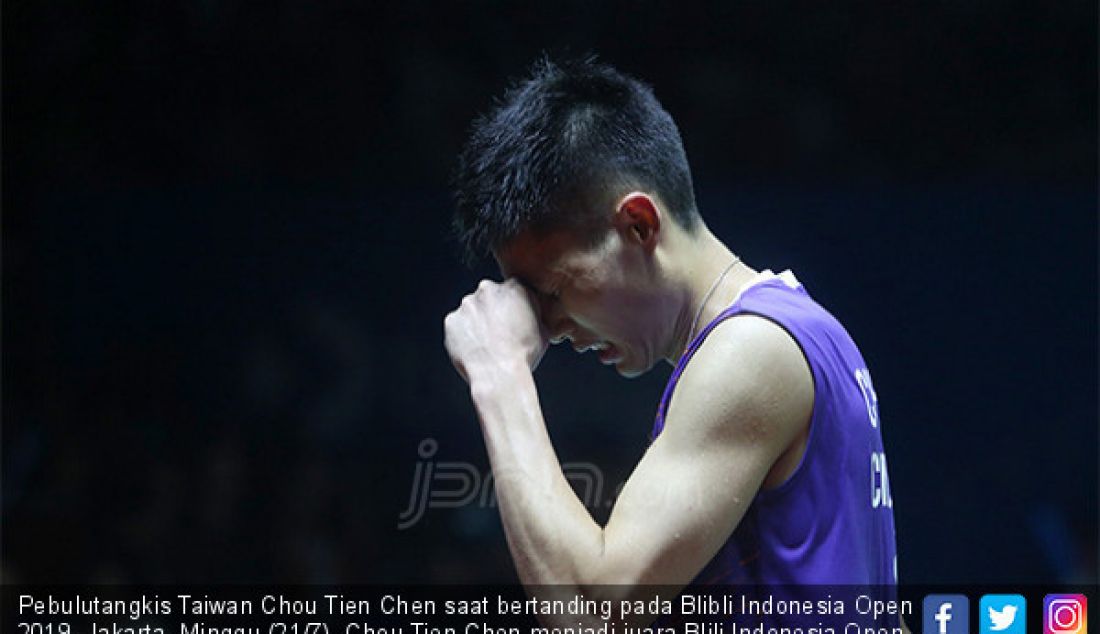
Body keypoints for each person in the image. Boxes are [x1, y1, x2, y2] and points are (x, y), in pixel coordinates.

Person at [444, 56, 898, 615]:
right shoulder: (803, 331)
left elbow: (592, 615)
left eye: (556, 290)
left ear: (638, 224)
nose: (552, 328)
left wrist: (498, 371)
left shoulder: (753, 352)